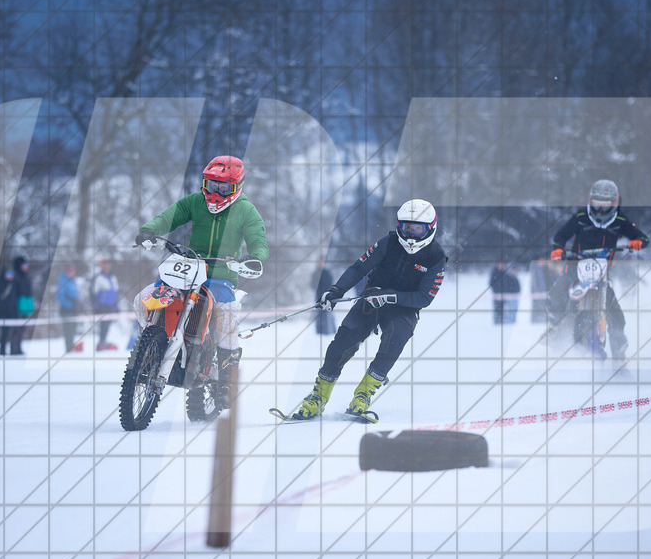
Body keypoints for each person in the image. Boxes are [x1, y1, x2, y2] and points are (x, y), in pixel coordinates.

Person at [288, 199, 447, 421]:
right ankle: (318, 397)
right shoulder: (388, 242)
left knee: (395, 339)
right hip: (371, 300)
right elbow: (360, 267)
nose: (410, 235)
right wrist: (335, 290)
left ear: (430, 228)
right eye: (406, 227)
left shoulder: (436, 257)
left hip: (404, 308)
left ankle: (363, 394)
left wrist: (390, 296)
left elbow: (424, 297)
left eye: (417, 229)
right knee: (342, 343)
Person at [134, 155, 269, 408]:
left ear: (237, 187)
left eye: (223, 187)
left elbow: (258, 239)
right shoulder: (196, 201)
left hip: (221, 273)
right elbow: (169, 216)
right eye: (211, 185)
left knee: (226, 314)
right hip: (188, 266)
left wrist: (255, 258)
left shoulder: (245, 210)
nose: (216, 192)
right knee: (144, 298)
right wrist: (150, 230)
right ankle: (148, 348)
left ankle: (226, 380)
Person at [547, 179, 648, 361]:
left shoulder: (620, 221)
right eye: (597, 204)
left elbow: (641, 236)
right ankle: (554, 327)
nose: (600, 209)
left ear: (614, 203)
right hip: (576, 265)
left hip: (601, 272)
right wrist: (558, 248)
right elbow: (560, 235)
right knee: (559, 289)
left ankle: (619, 355)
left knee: (615, 312)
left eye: (605, 205)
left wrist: (638, 241)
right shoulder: (580, 217)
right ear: (590, 201)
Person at [91, 256, 119, 350]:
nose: (107, 267)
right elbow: (93, 293)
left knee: (107, 326)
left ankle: (103, 342)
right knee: (102, 326)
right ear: (101, 266)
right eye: (105, 265)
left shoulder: (113, 278)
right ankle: (100, 343)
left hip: (111, 306)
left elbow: (115, 292)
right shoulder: (98, 278)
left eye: (108, 265)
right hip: (102, 307)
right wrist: (95, 306)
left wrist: (116, 305)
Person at [56, 262, 85, 353]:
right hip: (66, 310)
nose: (71, 272)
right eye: (69, 271)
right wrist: (70, 304)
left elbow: (78, 295)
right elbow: (60, 296)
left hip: (74, 310)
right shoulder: (62, 282)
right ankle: (68, 348)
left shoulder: (74, 282)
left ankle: (71, 346)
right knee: (67, 329)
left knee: (73, 329)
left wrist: (81, 305)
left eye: (73, 271)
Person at [0, 265, 18, 356]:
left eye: (12, 274)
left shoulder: (12, 284)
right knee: (4, 331)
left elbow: (14, 299)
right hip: (2, 312)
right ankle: (2, 350)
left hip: (11, 312)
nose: (10, 276)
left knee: (10, 331)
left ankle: (11, 349)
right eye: (8, 274)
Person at [10, 255, 34, 355]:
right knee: (16, 328)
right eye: (24, 264)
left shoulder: (26, 276)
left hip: (25, 306)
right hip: (16, 307)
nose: (26, 266)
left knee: (22, 328)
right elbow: (13, 293)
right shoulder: (15, 276)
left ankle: (18, 347)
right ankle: (14, 348)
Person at [314, 258, 334, 335]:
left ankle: (329, 331)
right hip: (318, 296)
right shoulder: (316, 273)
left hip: (327, 296)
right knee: (319, 313)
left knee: (328, 313)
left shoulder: (327, 272)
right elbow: (313, 283)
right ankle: (319, 331)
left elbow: (331, 283)